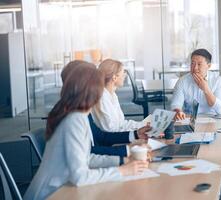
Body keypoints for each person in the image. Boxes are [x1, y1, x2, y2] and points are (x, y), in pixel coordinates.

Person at [24, 61, 149, 200]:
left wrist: (122, 161)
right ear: (92, 90)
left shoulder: (77, 114)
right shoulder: (74, 120)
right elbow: (80, 177)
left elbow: (86, 158)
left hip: (64, 187)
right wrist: (121, 170)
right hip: (52, 194)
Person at [60, 60, 150, 158]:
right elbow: (89, 153)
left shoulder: (80, 110)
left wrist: (136, 134)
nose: (99, 83)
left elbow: (100, 137)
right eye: (94, 80)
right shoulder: (73, 117)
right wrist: (127, 153)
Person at [171, 49, 221, 120]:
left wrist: (206, 89)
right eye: (192, 63)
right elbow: (175, 105)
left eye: (199, 64)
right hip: (190, 121)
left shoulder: (218, 81)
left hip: (213, 121)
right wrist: (177, 112)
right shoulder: (182, 81)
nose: (195, 68)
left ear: (208, 66)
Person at [91, 59, 145, 132]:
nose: (124, 76)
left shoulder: (113, 95)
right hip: (112, 141)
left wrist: (142, 125)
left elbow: (121, 124)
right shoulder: (102, 98)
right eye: (123, 73)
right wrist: (136, 133)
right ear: (114, 77)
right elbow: (110, 130)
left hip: (118, 135)